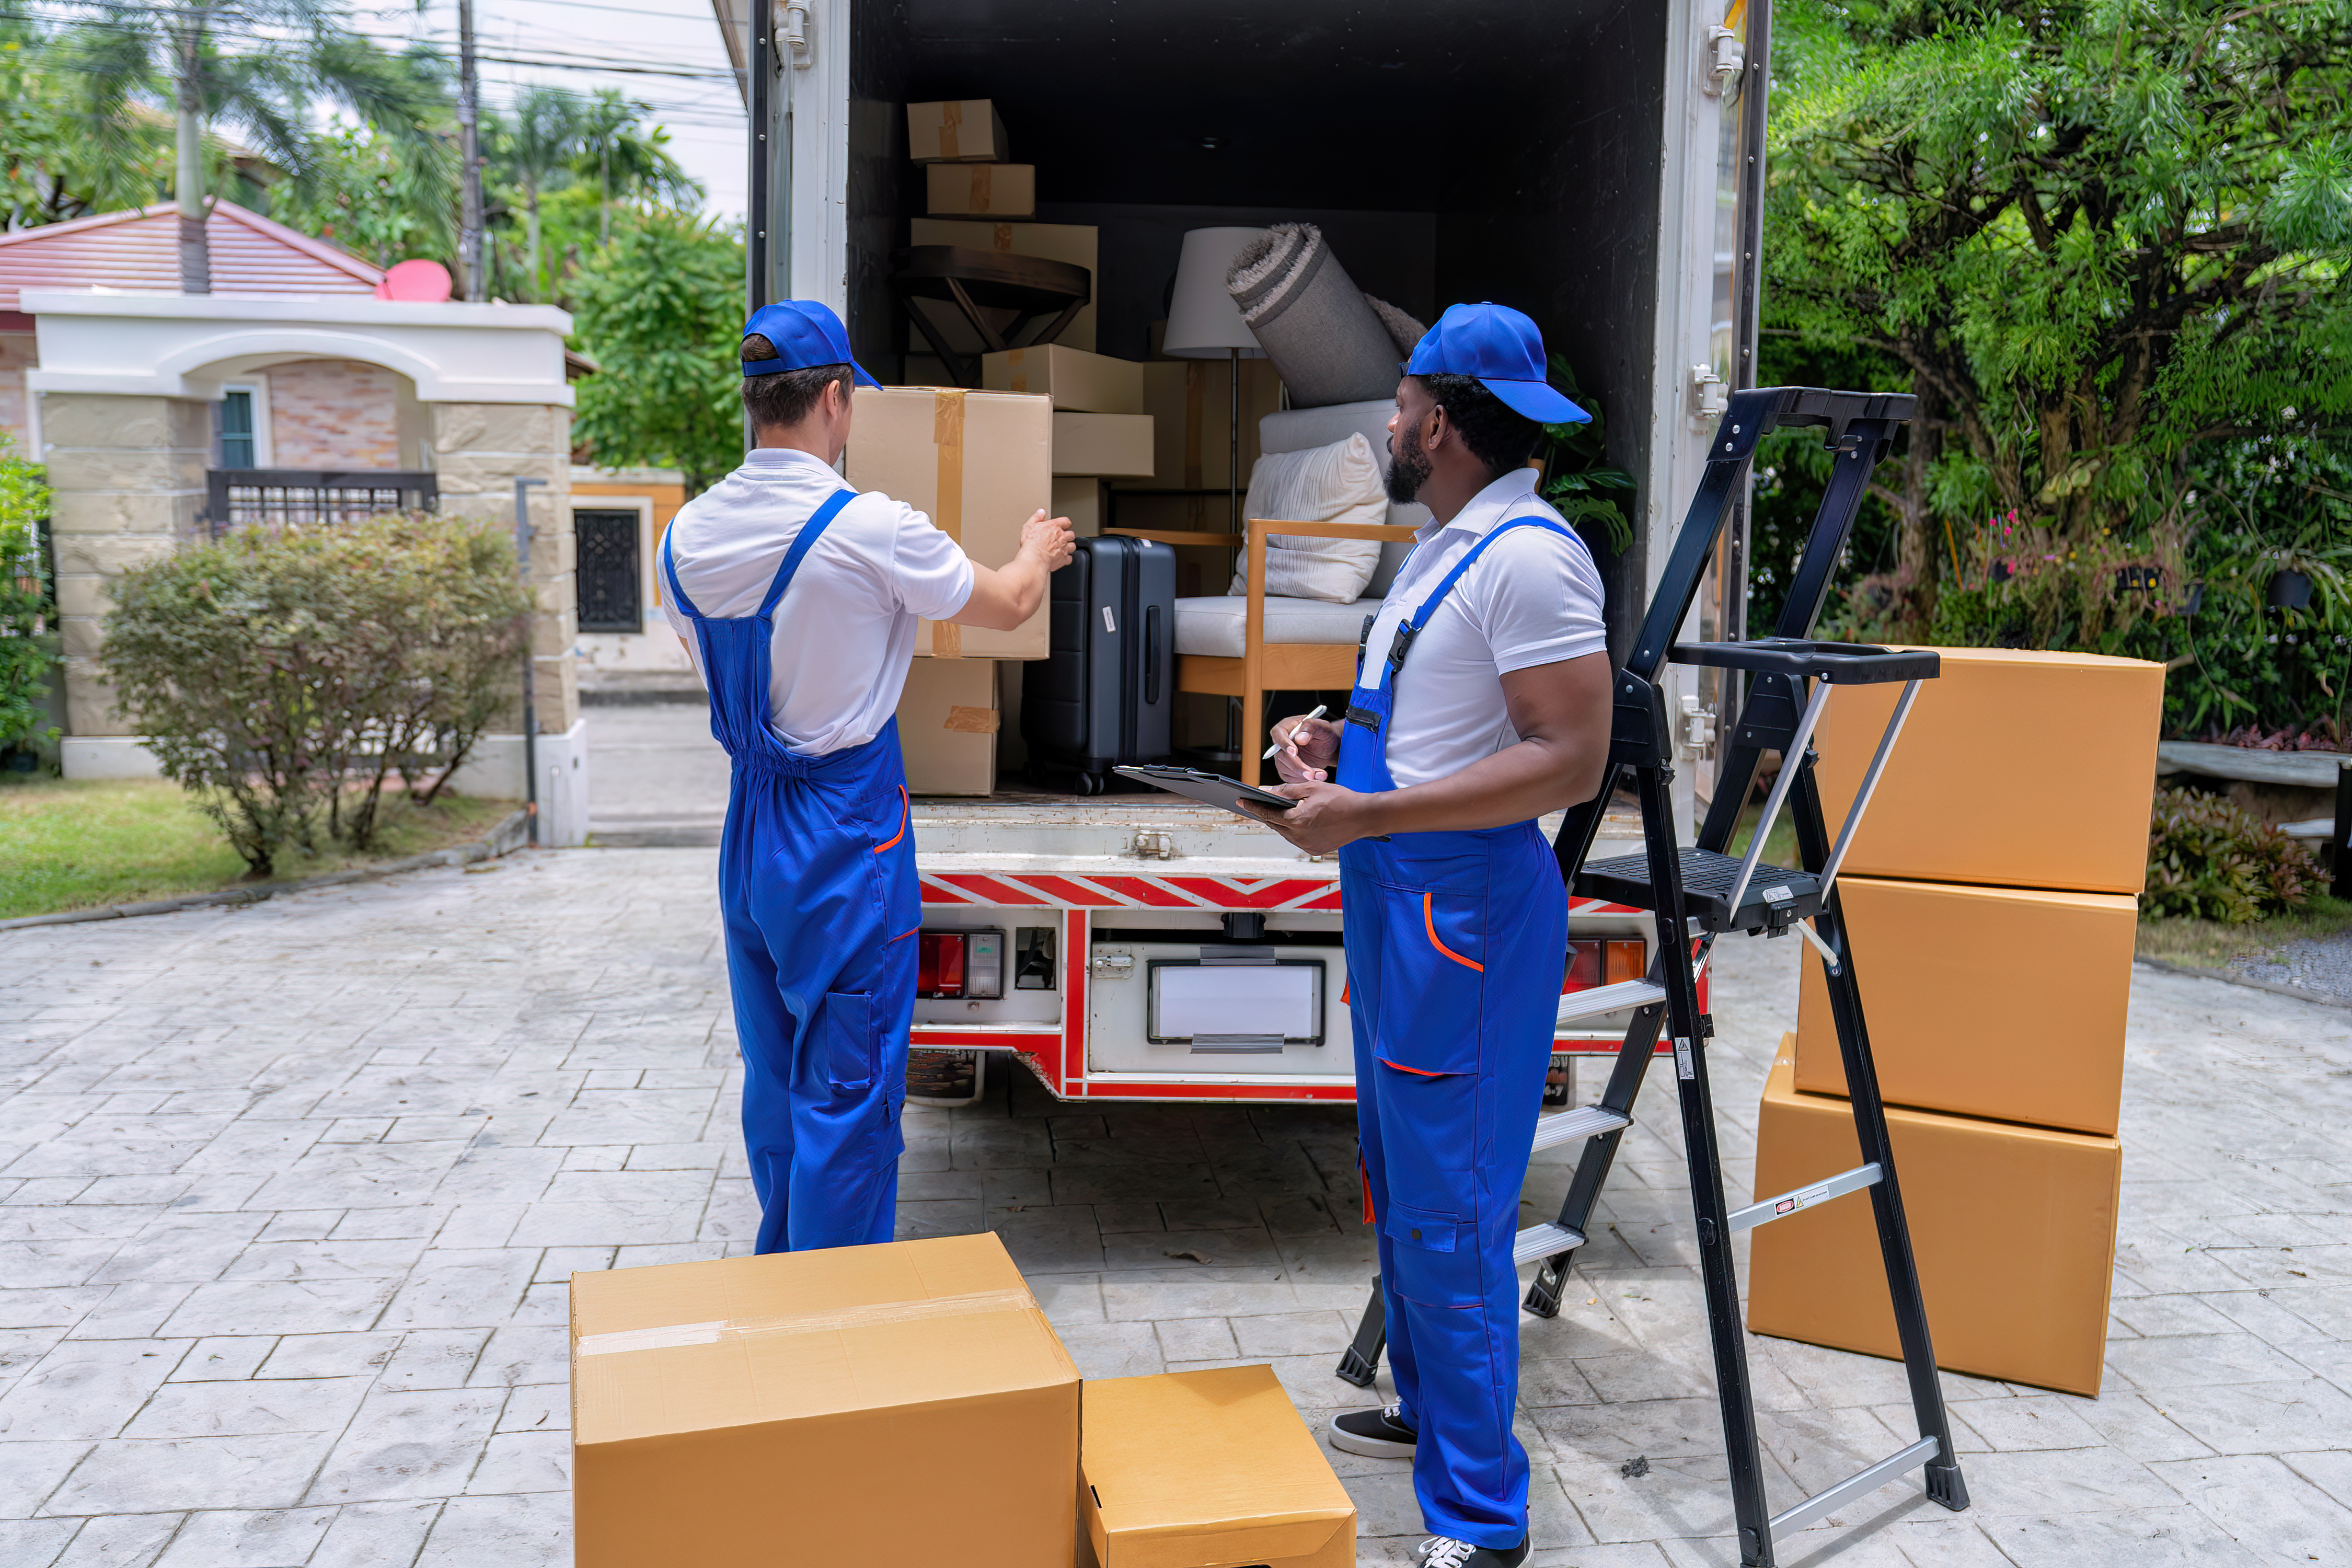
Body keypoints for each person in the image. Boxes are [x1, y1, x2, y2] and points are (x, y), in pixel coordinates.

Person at [1251, 303, 1613, 1568]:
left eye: (1400, 406)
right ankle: (1427, 1408)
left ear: (1443, 421)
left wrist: (1375, 811)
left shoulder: (1532, 558)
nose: (1390, 424)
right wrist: (1324, 750)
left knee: (1454, 1211)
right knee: (1403, 1182)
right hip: (1405, 889)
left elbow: (1571, 759)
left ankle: (1482, 1518)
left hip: (1459, 908)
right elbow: (1438, 725)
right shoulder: (1452, 546)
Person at [660, 299, 1074, 1254]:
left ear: (755, 402)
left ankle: (784, 1279)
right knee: (846, 1089)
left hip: (753, 827)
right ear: (837, 401)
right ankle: (834, 1329)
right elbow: (1008, 608)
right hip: (844, 832)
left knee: (776, 1079)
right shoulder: (868, 526)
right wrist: (1035, 553)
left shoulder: (681, 537)